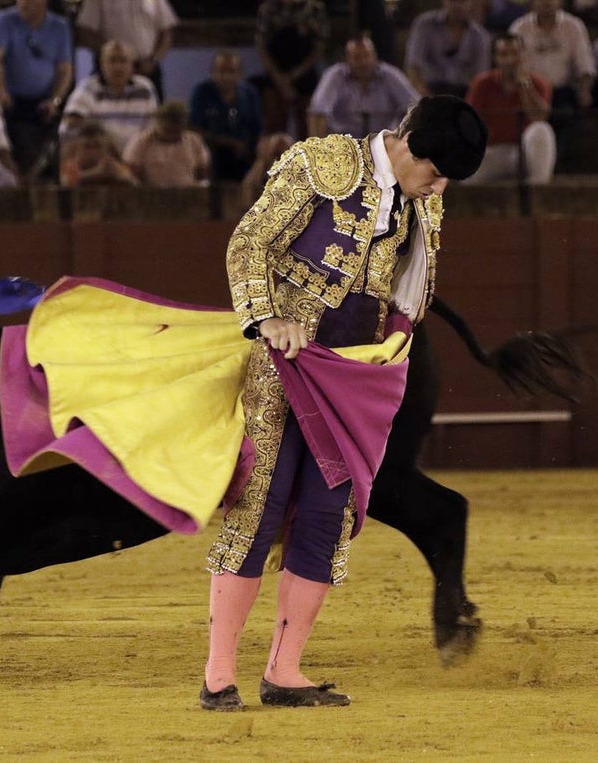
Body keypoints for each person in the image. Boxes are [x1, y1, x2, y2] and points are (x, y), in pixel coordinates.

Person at [200, 94, 487, 712]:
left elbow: (412, 292)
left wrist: (399, 339)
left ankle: (285, 671)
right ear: (408, 145)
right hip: (286, 363)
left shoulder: (424, 203)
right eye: (434, 173)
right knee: (261, 505)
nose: (437, 188)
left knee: (329, 519)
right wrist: (268, 317)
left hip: (352, 377)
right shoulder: (322, 163)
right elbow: (248, 243)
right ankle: (219, 672)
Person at [0, 0, 73, 174]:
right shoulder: (4, 20)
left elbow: (65, 70)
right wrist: (0, 90)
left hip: (45, 100)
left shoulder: (60, 27)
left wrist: (55, 100)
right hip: (12, 99)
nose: (23, 4)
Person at [508, 0, 595, 162]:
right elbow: (509, 66)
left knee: (567, 111)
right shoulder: (519, 28)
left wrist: (585, 90)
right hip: (528, 89)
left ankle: (554, 162)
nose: (546, 2)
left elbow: (585, 68)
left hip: (562, 91)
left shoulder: (574, 26)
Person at [464, 32, 555, 183]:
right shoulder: (482, 83)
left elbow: (539, 117)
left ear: (523, 56)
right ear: (496, 59)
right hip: (493, 150)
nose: (509, 60)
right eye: (503, 55)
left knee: (542, 130)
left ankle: (537, 192)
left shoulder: (538, 83)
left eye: (515, 54)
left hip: (524, 152)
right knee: (467, 172)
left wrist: (525, 85)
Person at [308, 35, 421, 139]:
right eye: (357, 57)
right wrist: (318, 149)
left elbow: (416, 106)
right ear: (347, 59)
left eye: (367, 56)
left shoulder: (390, 75)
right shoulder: (335, 75)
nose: (363, 62)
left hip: (384, 143)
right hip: (344, 144)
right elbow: (318, 112)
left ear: (375, 56)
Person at [60, 39, 157, 154]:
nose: (117, 67)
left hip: (136, 155)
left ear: (132, 65)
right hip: (97, 154)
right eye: (112, 61)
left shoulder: (144, 88)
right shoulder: (88, 88)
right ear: (102, 64)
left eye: (123, 61)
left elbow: (152, 127)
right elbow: (71, 122)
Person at [251, 0, 328, 139]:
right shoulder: (268, 8)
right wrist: (280, 78)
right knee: (274, 130)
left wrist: (294, 76)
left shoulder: (314, 8)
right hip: (275, 76)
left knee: (308, 131)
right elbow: (261, 45)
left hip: (306, 76)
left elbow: (320, 46)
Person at [75, 0, 177, 101]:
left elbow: (166, 33)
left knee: (156, 113)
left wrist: (154, 60)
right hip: (111, 67)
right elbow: (86, 31)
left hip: (147, 67)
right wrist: (110, 56)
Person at [189, 50, 262, 182]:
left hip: (244, 154)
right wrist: (229, 143)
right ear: (213, 72)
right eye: (221, 71)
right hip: (212, 152)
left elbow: (257, 128)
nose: (226, 76)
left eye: (231, 71)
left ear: (240, 74)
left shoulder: (250, 93)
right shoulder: (202, 92)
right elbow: (195, 130)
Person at [405, 0, 491, 99]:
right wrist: (425, 100)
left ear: (470, 3)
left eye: (462, 1)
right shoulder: (424, 25)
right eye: (452, 1)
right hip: (429, 89)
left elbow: (481, 77)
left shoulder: (480, 36)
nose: (457, 6)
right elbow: (413, 67)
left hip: (464, 94)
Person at [122, 99, 209, 187]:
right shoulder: (140, 141)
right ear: (157, 123)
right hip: (150, 194)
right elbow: (131, 174)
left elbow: (202, 172)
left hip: (186, 192)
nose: (171, 134)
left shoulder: (194, 141)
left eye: (176, 130)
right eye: (167, 130)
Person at [59, 122, 137, 186]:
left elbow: (135, 185)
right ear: (77, 149)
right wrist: (93, 174)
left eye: (97, 146)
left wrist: (119, 175)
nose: (93, 152)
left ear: (106, 149)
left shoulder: (115, 166)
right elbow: (63, 182)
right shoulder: (68, 167)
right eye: (87, 147)